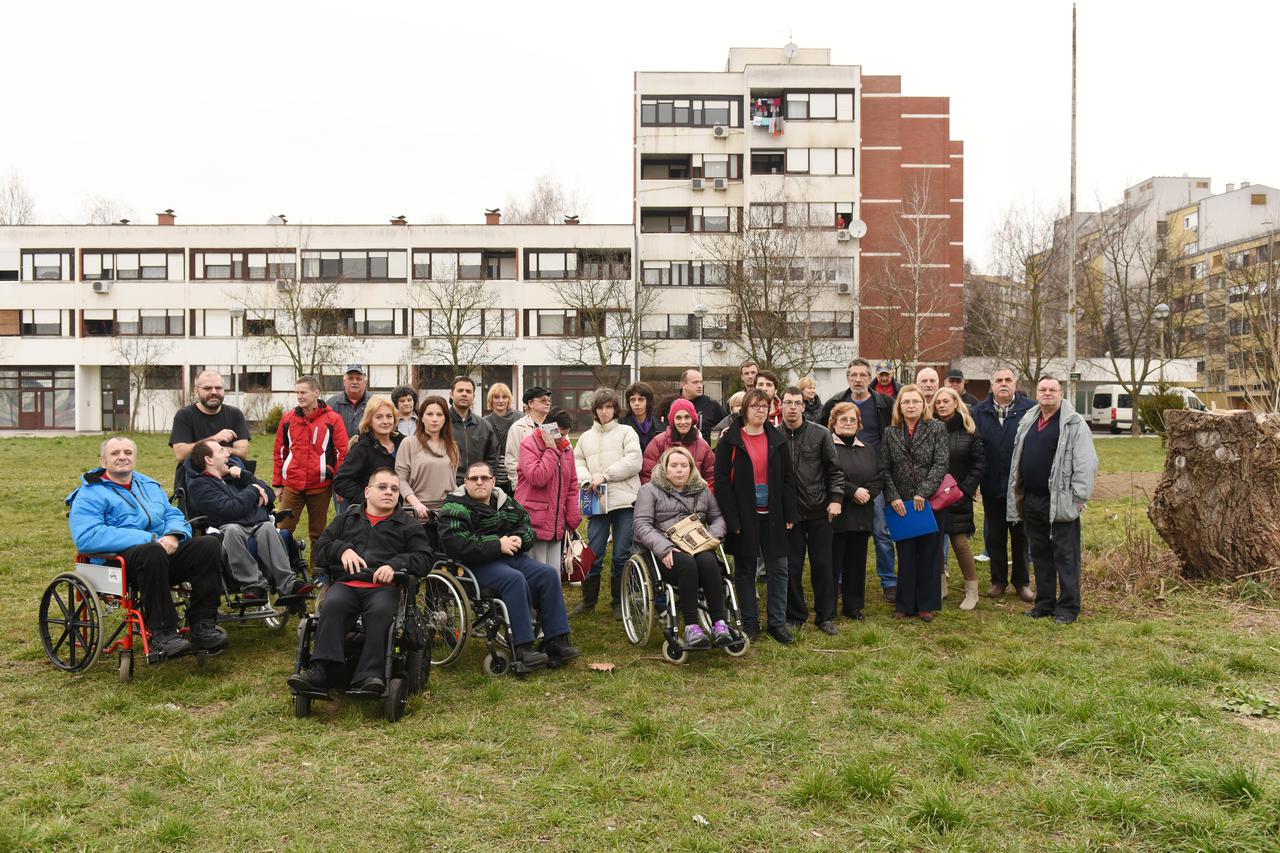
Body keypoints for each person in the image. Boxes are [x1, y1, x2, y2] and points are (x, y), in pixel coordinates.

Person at [68, 436, 228, 659]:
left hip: (160, 553)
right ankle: (163, 634)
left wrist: (173, 535)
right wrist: (149, 538)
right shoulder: (89, 493)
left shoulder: (148, 485)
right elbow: (87, 537)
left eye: (128, 452)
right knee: (152, 552)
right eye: (115, 453)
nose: (123, 457)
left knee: (208, 545)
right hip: (117, 563)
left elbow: (173, 514)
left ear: (134, 458)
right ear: (103, 461)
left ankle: (202, 625)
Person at [287, 468, 432, 696]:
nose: (389, 492)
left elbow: (424, 558)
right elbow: (322, 547)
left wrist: (394, 565)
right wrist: (342, 549)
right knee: (333, 605)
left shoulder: (408, 525)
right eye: (382, 487)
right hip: (347, 584)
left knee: (382, 611)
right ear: (367, 491)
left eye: (394, 489)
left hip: (385, 587)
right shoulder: (347, 519)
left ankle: (370, 674)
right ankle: (322, 669)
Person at [439, 461, 580, 669]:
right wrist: (497, 545)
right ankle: (523, 647)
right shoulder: (454, 507)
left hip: (511, 558)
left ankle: (556, 640)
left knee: (548, 574)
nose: (480, 482)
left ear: (493, 481)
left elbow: (527, 527)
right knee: (514, 580)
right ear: (465, 482)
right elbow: (456, 544)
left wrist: (520, 539)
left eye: (485, 478)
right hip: (476, 565)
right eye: (474, 478)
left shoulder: (506, 503)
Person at [1007, 376, 1098, 625]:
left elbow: (1086, 463)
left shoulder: (1073, 423)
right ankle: (1044, 604)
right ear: (1037, 393)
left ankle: (1068, 608)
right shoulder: (1030, 419)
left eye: (1052, 389)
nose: (1047, 393)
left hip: (1061, 500)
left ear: (1061, 393)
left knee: (1065, 556)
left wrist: (1079, 497)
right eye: (1043, 389)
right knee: (1040, 554)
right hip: (1032, 499)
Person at [714, 388, 798, 644]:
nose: (760, 410)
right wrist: (732, 518)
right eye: (755, 406)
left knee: (779, 569)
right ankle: (750, 623)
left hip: (774, 515)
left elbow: (787, 479)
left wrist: (790, 511)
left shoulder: (777, 439)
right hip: (744, 516)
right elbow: (721, 482)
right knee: (746, 571)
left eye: (765, 406)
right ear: (745, 409)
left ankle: (777, 622)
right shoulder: (730, 441)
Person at [185, 439, 312, 603]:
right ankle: (253, 585)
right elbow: (230, 510)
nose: (228, 454)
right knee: (232, 530)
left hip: (257, 524)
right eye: (221, 451)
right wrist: (253, 491)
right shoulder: (199, 485)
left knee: (267, 527)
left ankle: (289, 585)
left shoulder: (237, 476)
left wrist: (247, 477)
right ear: (209, 460)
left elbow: (270, 496)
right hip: (226, 529)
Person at [632, 447, 733, 649]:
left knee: (709, 561)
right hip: (665, 551)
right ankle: (691, 626)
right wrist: (665, 547)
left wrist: (709, 537)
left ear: (691, 468)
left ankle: (719, 623)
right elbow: (641, 525)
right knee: (687, 565)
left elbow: (717, 518)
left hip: (697, 545)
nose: (679, 470)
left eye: (684, 466)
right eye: (674, 466)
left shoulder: (702, 490)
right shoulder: (649, 490)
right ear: (665, 468)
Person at [819, 359, 898, 601]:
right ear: (848, 377)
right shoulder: (835, 402)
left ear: (869, 377)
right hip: (842, 476)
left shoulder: (883, 403)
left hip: (873, 473)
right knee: (841, 532)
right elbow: (824, 433)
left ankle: (888, 581)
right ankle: (840, 581)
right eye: (853, 375)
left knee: (881, 530)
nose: (858, 379)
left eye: (863, 375)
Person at [879, 384, 949, 622]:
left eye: (915, 402)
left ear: (923, 404)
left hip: (928, 502)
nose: (910, 406)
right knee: (906, 554)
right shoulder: (890, 432)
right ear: (899, 405)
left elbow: (941, 463)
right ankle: (904, 603)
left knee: (930, 554)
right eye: (906, 402)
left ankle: (925, 605)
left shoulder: (937, 428)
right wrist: (894, 497)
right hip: (901, 503)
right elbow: (884, 468)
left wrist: (923, 492)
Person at [780, 387, 844, 635]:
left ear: (804, 406)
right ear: (781, 406)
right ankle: (795, 614)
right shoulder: (774, 436)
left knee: (823, 566)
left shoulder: (821, 434)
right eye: (788, 403)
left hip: (819, 511)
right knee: (792, 566)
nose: (793, 408)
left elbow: (835, 471)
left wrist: (836, 499)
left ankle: (825, 616)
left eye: (797, 403)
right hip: (791, 516)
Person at [573, 388, 643, 618]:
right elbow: (578, 462)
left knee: (622, 553)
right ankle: (588, 601)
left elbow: (634, 461)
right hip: (596, 498)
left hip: (625, 499)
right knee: (593, 551)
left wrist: (605, 475)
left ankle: (619, 602)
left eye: (608, 407)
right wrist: (586, 479)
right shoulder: (585, 437)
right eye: (600, 408)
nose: (604, 412)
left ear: (615, 408)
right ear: (594, 410)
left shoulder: (626, 432)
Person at [972, 367, 1036, 601]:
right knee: (995, 535)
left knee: (1021, 535)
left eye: (1008, 380)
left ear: (1015, 383)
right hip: (991, 485)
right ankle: (998, 581)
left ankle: (1022, 582)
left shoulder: (1029, 409)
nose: (1003, 384)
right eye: (998, 380)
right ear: (991, 384)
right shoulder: (979, 412)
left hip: (1020, 486)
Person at [273, 376, 347, 568]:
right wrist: (278, 483)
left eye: (303, 392)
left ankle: (318, 570)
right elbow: (279, 451)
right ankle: (283, 568)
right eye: (297, 392)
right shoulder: (288, 419)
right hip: (292, 485)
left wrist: (338, 485)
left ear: (316, 393)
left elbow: (342, 454)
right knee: (283, 528)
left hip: (320, 486)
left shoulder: (333, 419)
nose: (299, 396)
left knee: (318, 532)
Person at [828, 403, 883, 621]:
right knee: (832, 562)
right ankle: (828, 606)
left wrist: (868, 492)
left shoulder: (868, 448)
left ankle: (853, 606)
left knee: (856, 562)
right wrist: (853, 492)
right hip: (838, 512)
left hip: (863, 512)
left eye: (853, 420)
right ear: (833, 423)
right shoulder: (828, 446)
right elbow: (829, 474)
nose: (848, 423)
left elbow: (880, 475)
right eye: (843, 419)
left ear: (859, 424)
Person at [932, 388, 986, 612]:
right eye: (938, 402)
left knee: (960, 543)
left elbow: (979, 463)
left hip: (958, 495)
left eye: (946, 401)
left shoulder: (970, 430)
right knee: (934, 543)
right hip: (933, 496)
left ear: (956, 403)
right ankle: (940, 586)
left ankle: (972, 591)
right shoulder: (930, 428)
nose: (941, 405)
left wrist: (965, 490)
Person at [515, 409, 582, 568]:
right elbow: (538, 477)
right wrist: (551, 450)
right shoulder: (528, 445)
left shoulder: (566, 449)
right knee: (536, 574)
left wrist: (572, 520)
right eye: (560, 434)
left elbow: (572, 485)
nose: (563, 439)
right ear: (547, 429)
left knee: (553, 572)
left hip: (555, 523)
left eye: (566, 435)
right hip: (533, 523)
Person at [168, 369, 251, 492]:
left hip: (230, 482)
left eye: (218, 388)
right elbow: (180, 454)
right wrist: (213, 440)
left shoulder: (235, 414)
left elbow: (243, 452)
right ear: (196, 391)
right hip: (194, 483)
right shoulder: (184, 415)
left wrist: (223, 451)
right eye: (207, 388)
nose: (214, 392)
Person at [334, 395, 404, 508]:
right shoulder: (362, 447)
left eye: (389, 416)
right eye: (379, 417)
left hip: (402, 509)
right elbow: (342, 481)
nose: (385, 421)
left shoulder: (404, 443)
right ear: (370, 421)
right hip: (373, 514)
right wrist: (368, 501)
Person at [396, 395, 458, 519]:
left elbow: (452, 482)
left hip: (446, 510)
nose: (434, 419)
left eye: (439, 415)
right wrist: (417, 505)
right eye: (429, 414)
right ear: (421, 418)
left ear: (445, 418)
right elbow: (400, 480)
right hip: (415, 511)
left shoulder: (452, 446)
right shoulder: (409, 443)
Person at [640, 398, 714, 487]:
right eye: (678, 417)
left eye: (687, 417)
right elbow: (647, 475)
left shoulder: (703, 446)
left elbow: (711, 478)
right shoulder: (658, 442)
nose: (683, 422)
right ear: (672, 420)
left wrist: (702, 498)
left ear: (693, 419)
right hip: (663, 497)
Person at [449, 376, 499, 486]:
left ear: (473, 396)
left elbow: (492, 459)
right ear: (451, 394)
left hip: (477, 485)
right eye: (460, 390)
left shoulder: (484, 426)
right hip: (448, 486)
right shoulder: (442, 423)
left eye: (468, 391)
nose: (464, 394)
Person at [504, 386, 552, 492]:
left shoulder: (554, 426)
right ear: (530, 403)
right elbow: (512, 461)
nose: (548, 403)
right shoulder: (518, 427)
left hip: (551, 486)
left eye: (548, 400)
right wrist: (518, 487)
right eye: (543, 400)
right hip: (526, 488)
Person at [483, 383, 520, 494]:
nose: (500, 400)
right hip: (491, 478)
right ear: (491, 399)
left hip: (516, 478)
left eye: (504, 397)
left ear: (509, 400)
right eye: (496, 397)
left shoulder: (520, 419)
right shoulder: (483, 422)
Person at [678, 368, 727, 443]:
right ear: (683, 385)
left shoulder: (710, 404)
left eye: (701, 382)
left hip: (703, 452)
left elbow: (728, 426)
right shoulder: (671, 404)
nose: (700, 386)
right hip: (677, 452)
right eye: (695, 382)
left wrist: (717, 450)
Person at [327, 364, 370, 444]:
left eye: (358, 379)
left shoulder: (375, 403)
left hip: (368, 454)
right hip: (339, 454)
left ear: (365, 382)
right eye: (350, 378)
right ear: (344, 382)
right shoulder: (331, 404)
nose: (354, 382)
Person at [621, 381, 661, 453]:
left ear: (648, 401)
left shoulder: (660, 426)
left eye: (641, 399)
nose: (636, 403)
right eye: (632, 400)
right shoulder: (621, 426)